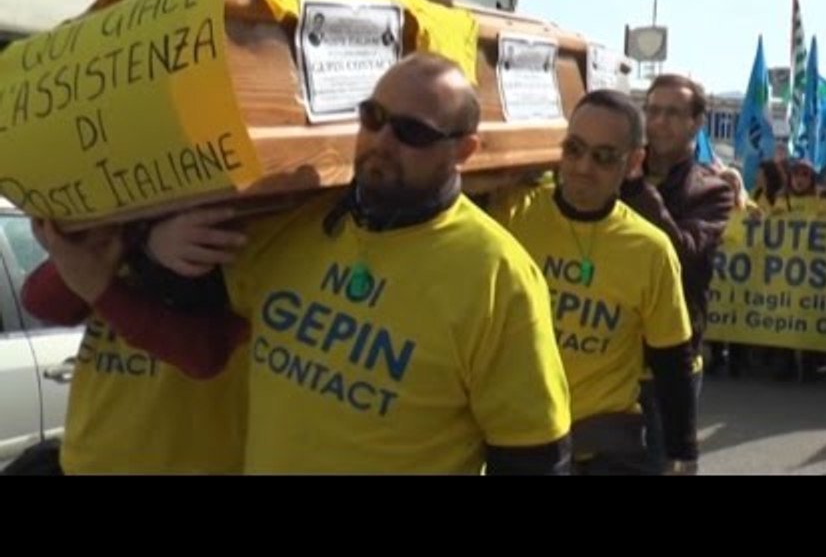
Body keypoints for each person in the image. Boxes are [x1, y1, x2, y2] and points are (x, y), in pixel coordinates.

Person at [44, 52, 572, 475]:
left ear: (465, 150)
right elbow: (193, 337)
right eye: (374, 117)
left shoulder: (497, 276)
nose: (382, 141)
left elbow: (532, 455)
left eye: (412, 132)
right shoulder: (293, 226)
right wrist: (143, 246)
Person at [478, 90, 698, 475]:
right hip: (519, 432)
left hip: (605, 440)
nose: (582, 167)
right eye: (573, 149)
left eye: (603, 157)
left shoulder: (650, 249)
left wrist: (683, 452)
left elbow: (672, 361)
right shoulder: (513, 213)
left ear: (633, 163)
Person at [20, 220, 247, 475]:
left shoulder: (226, 235)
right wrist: (134, 242)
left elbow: (206, 354)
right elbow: (41, 303)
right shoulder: (125, 237)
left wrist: (102, 283)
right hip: (85, 461)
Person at [619, 73, 734, 473]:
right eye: (652, 110)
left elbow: (681, 253)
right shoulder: (615, 168)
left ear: (697, 123)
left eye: (672, 112)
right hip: (605, 354)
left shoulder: (713, 190)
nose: (658, 121)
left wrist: (636, 188)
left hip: (665, 366)